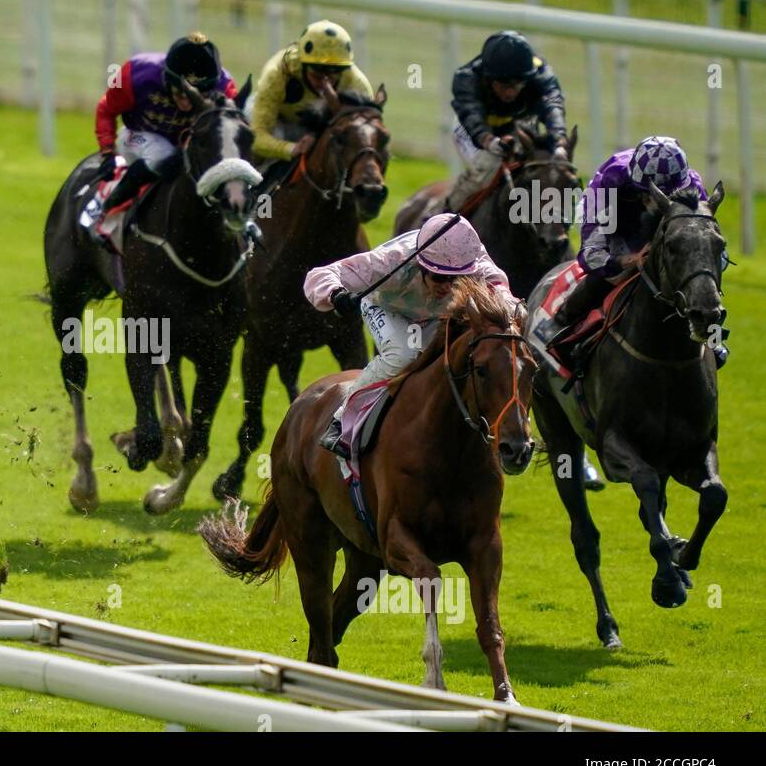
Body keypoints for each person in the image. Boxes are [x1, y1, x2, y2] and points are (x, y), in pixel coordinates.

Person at [303, 214, 518, 454]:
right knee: (404, 353)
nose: (446, 286)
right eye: (438, 277)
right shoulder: (393, 259)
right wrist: (335, 294)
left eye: (455, 279)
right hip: (386, 307)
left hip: (437, 317)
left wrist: (513, 312)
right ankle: (342, 422)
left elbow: (504, 297)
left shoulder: (478, 266)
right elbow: (320, 275)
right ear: (421, 265)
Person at [534, 135, 729, 368]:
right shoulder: (611, 178)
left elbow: (705, 245)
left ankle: (714, 335)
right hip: (617, 227)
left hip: (668, 230)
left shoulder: (691, 184)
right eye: (647, 194)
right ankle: (560, 324)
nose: (654, 201)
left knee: (698, 269)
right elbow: (590, 255)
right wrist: (628, 260)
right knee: (610, 275)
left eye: (662, 197)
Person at [89, 32, 238, 232]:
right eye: (179, 93)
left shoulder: (226, 89)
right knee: (163, 153)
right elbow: (106, 109)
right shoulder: (133, 74)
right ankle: (106, 205)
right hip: (138, 135)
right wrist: (107, 152)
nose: (186, 104)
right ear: (167, 80)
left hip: (186, 146)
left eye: (196, 97)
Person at [447, 30, 568, 212]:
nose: (511, 92)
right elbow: (472, 116)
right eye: (504, 85)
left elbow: (553, 106)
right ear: (488, 78)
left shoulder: (540, 73)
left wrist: (559, 142)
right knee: (487, 166)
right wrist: (488, 140)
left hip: (517, 124)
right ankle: (443, 218)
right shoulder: (466, 78)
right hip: (472, 131)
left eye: (518, 84)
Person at [247, 20, 374, 165]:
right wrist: (291, 149)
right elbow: (256, 137)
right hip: (275, 121)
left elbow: (366, 139)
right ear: (303, 63)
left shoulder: (357, 85)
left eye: (335, 72)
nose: (325, 81)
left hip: (316, 131)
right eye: (318, 72)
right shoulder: (278, 71)